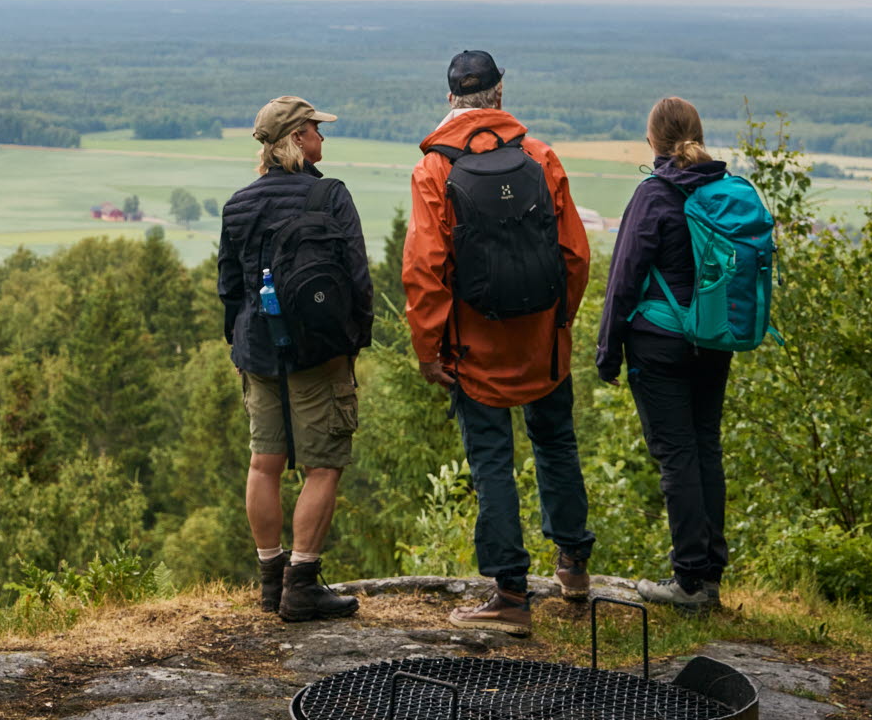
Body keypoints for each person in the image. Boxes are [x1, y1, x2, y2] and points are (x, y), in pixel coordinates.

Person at [404, 50, 593, 632]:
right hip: (542, 344)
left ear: (451, 99)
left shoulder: (434, 169)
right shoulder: (539, 157)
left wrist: (428, 350)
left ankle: (510, 596)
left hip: (473, 349)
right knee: (556, 445)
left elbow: (425, 268)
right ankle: (574, 569)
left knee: (492, 463)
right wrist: (560, 321)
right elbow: (575, 255)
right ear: (500, 94)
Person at [218, 95, 374, 622]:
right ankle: (301, 585)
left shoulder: (238, 203)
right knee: (323, 464)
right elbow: (356, 277)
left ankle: (269, 582)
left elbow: (230, 287)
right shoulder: (329, 195)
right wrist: (355, 341)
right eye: (315, 130)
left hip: (257, 350)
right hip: (320, 351)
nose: (322, 139)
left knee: (264, 462)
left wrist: (240, 345)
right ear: (296, 140)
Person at [595, 95, 732, 611]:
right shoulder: (720, 188)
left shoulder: (655, 195)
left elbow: (623, 278)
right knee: (705, 448)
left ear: (652, 141)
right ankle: (710, 573)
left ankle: (690, 581)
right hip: (714, 340)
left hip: (660, 343)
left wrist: (608, 352)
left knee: (677, 456)